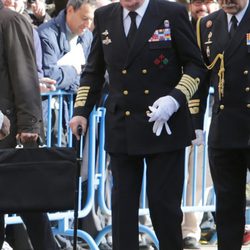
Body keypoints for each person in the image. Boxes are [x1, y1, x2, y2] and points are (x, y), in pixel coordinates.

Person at [69, 0, 206, 248]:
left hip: (163, 125)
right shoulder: (104, 16)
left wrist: (175, 99)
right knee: (122, 209)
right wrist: (81, 111)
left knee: (164, 208)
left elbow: (196, 66)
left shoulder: (171, 13)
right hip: (123, 124)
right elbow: (93, 71)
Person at [0, 2, 59, 250]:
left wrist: (30, 126)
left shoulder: (11, 21)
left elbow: (24, 74)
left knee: (30, 206)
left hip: (12, 130)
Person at [193, 0, 250, 248]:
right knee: (227, 206)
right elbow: (200, 76)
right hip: (224, 128)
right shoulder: (207, 25)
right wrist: (196, 122)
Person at [182, 0, 219, 248]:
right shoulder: (178, 23)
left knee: (200, 176)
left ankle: (190, 230)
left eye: (207, 1)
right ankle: (154, 224)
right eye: (196, 1)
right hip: (175, 109)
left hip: (210, 112)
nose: (201, 6)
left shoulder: (222, 28)